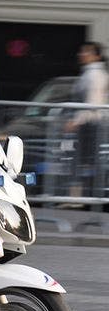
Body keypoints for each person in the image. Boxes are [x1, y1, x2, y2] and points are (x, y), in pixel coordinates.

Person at [64, 41, 109, 197]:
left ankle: (81, 197)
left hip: (92, 123)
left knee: (85, 160)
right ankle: (77, 196)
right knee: (82, 160)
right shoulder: (90, 72)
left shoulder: (95, 74)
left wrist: (75, 121)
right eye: (82, 51)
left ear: (97, 56)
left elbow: (92, 102)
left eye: (87, 52)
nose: (82, 54)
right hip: (90, 122)